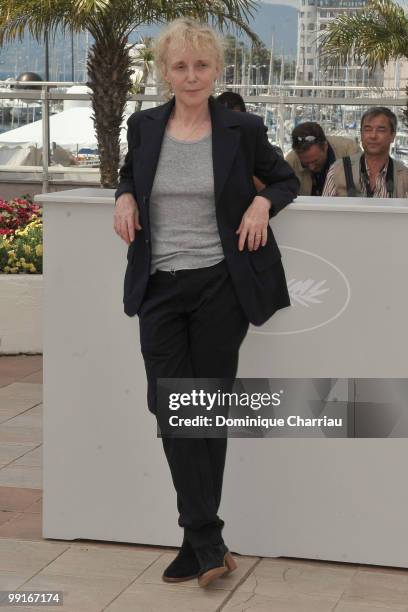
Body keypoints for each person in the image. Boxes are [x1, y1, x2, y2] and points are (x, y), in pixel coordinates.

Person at [113, 17, 299, 588]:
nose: (191, 75)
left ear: (216, 70)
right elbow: (129, 172)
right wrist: (123, 194)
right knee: (172, 410)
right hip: (160, 288)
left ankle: (198, 542)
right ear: (165, 72)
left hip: (222, 287)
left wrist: (262, 205)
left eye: (200, 65)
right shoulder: (143, 126)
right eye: (179, 66)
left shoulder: (241, 127)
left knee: (205, 412)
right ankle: (207, 536)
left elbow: (284, 180)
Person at [323, 107, 408, 198]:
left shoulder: (404, 176)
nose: (373, 136)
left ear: (392, 136)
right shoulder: (338, 170)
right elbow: (323, 211)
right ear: (361, 134)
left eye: (381, 130)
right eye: (367, 129)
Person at [286, 122, 360, 196]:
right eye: (305, 163)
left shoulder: (350, 152)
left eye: (315, 161)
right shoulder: (290, 163)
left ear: (325, 146)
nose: (312, 167)